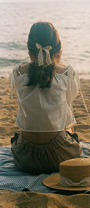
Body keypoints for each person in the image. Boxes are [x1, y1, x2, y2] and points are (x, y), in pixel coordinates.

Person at [11, 21, 82, 174]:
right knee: (68, 125)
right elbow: (69, 101)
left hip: (25, 158)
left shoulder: (18, 73)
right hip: (60, 156)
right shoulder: (67, 73)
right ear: (59, 51)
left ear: (30, 51)